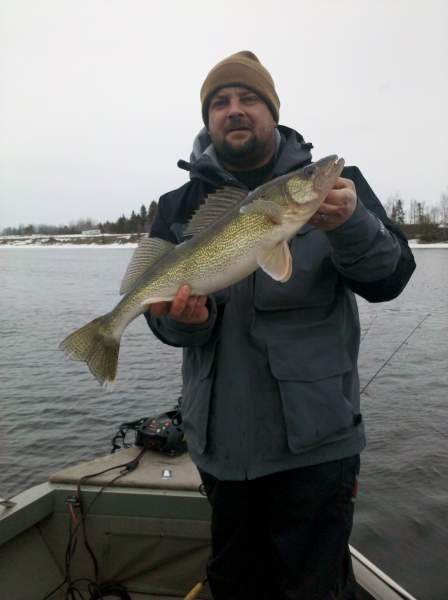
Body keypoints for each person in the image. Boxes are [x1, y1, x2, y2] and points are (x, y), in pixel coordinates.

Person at [145, 51, 416, 600]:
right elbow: (166, 324)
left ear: (273, 112)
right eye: (220, 102)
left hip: (316, 445)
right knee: (235, 583)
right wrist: (185, 323)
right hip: (220, 447)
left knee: (312, 588)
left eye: (249, 99)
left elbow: (389, 280)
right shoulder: (179, 206)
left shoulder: (338, 188)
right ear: (208, 119)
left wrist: (352, 225)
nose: (235, 110)